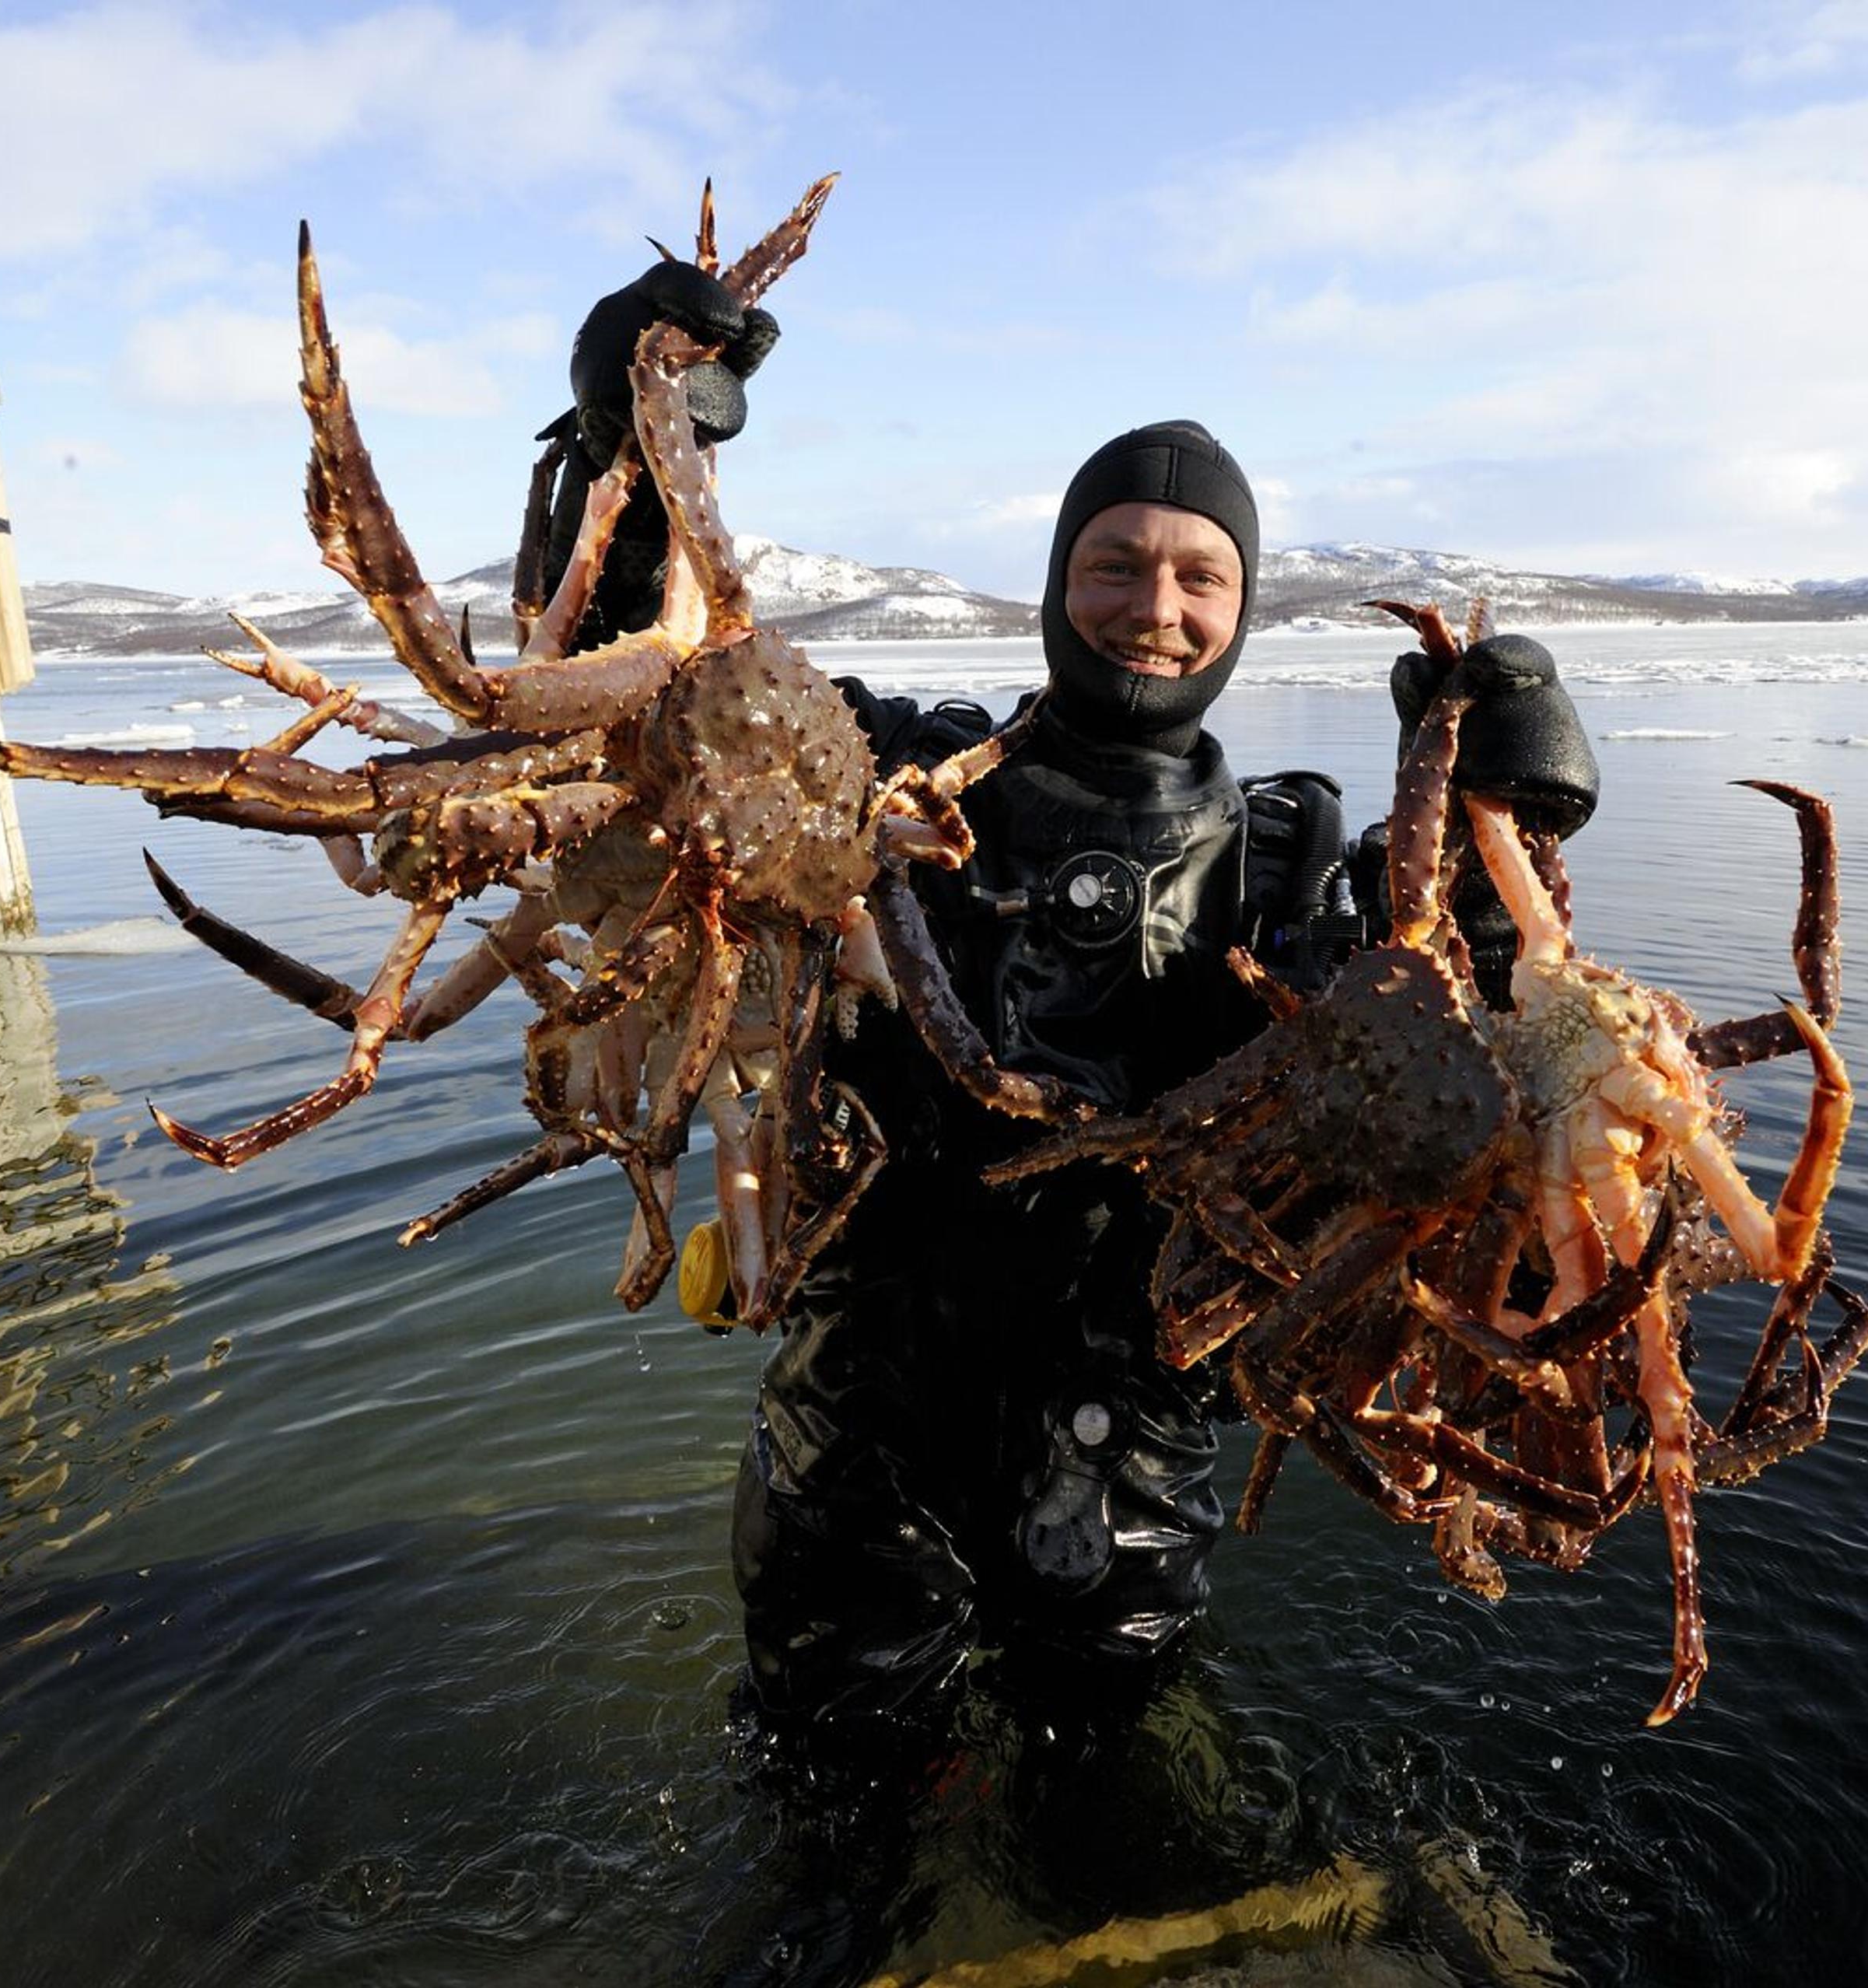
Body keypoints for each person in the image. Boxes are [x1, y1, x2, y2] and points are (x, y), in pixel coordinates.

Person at [531, 261, 1603, 1755]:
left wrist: (1500, 841)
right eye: (1115, 564)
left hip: (1126, 1464)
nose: (1154, 608)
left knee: (1105, 1795)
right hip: (853, 1434)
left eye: (1199, 577)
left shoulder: (1295, 861)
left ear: (1239, 608)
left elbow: (1470, 1070)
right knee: (830, 1810)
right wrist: (631, 466)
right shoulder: (889, 769)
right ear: (1056, 582)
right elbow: (649, 712)